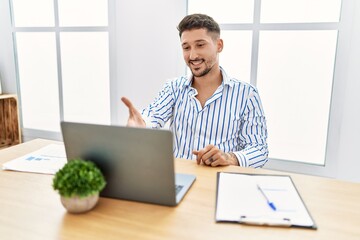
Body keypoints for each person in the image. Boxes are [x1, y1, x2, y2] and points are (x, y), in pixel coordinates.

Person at [121, 13, 268, 168]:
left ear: (219, 45)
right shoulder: (173, 88)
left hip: (220, 181)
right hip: (178, 181)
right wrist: (140, 126)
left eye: (200, 45)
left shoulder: (247, 94)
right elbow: (153, 116)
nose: (192, 55)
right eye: (186, 47)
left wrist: (230, 158)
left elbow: (260, 150)